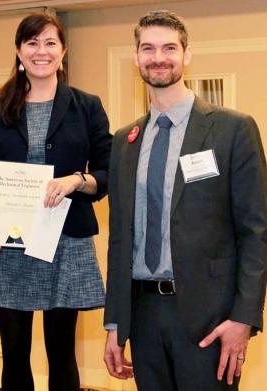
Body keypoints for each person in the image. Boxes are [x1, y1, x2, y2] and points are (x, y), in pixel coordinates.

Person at [104, 9, 267, 391]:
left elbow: (255, 231)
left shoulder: (232, 129)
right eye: (148, 48)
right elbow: (119, 240)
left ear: (186, 55)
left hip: (210, 319)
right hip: (142, 315)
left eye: (169, 48)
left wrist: (243, 318)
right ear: (137, 57)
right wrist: (115, 323)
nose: (158, 57)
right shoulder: (124, 141)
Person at [0, 12, 112, 391]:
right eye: (32, 43)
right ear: (19, 51)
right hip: (8, 245)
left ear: (63, 51)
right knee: (14, 353)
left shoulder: (87, 106)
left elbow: (108, 170)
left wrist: (77, 180)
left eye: (50, 43)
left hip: (65, 240)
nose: (41, 51)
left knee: (62, 351)